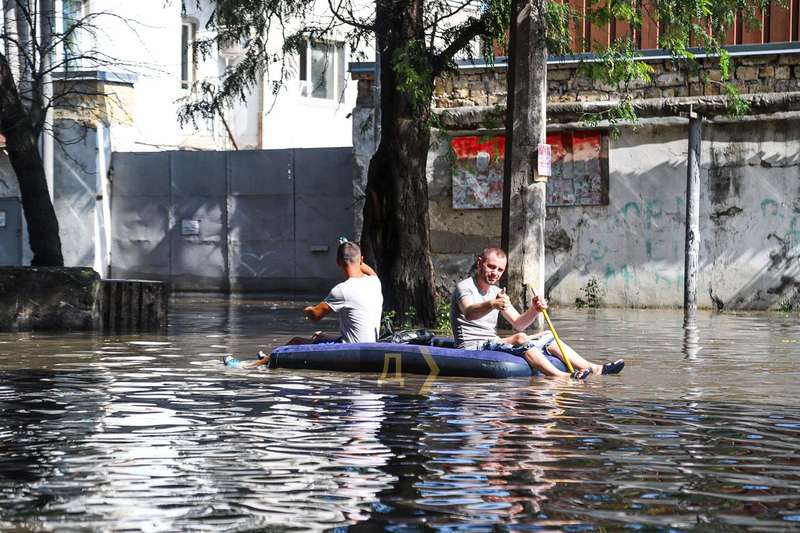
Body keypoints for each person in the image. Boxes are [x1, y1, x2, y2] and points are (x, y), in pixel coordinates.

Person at [450, 246, 624, 380]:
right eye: (491, 267)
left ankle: (594, 368)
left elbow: (519, 323)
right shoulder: (465, 287)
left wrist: (535, 310)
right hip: (472, 347)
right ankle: (561, 377)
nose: (495, 273)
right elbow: (469, 313)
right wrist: (492, 304)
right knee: (519, 338)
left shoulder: (497, 292)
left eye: (500, 270)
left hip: (492, 342)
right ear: (479, 263)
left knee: (547, 335)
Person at [225, 239, 383, 368]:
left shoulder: (342, 290)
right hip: (370, 346)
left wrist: (307, 309)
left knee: (296, 341)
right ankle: (268, 357)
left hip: (352, 351)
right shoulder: (375, 282)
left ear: (337, 262)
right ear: (361, 259)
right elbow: (369, 270)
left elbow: (314, 316)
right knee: (320, 336)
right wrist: (352, 251)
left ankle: (249, 367)